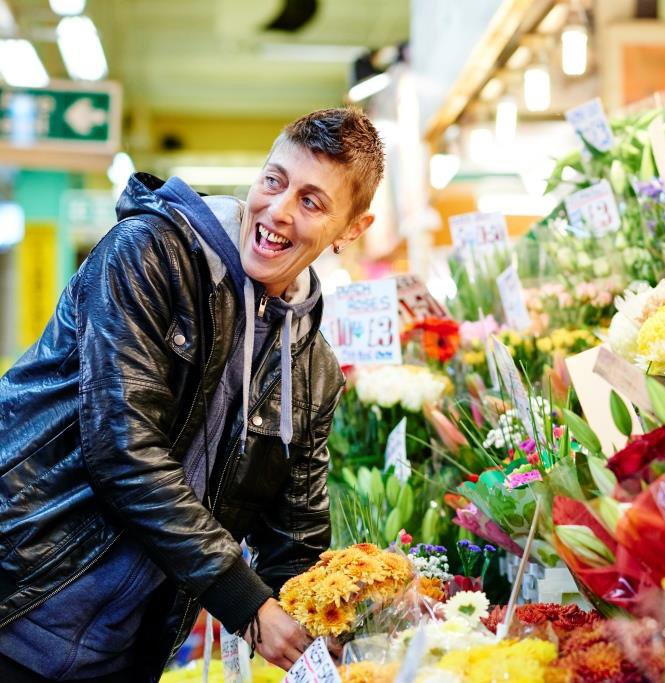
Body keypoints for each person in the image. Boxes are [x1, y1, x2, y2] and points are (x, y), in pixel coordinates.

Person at [0, 107, 383, 681]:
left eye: (311, 201)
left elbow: (295, 535)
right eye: (274, 180)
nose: (277, 211)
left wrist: (330, 632)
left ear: (352, 228)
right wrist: (249, 606)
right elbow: (123, 449)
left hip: (124, 649)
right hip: (21, 598)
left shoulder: (313, 370)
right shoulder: (149, 254)